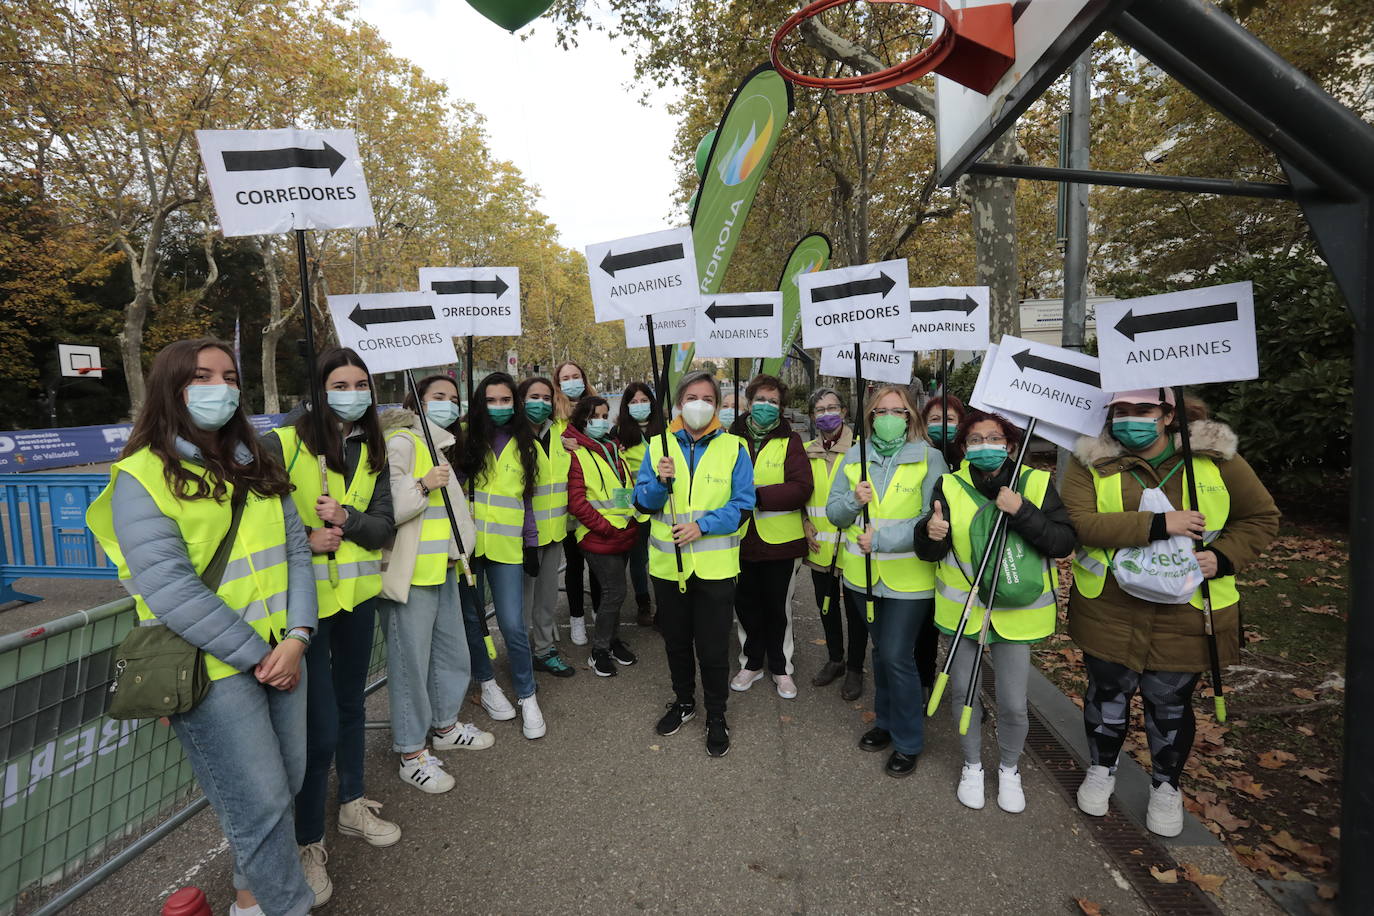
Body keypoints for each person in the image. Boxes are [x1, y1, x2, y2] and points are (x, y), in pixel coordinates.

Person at [87, 338, 316, 916]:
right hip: (213, 670)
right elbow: (170, 589)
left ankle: (247, 898)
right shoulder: (139, 477)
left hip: (284, 651)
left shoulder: (255, 460)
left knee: (283, 787)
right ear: (172, 387)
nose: (221, 387)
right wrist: (259, 657)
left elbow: (295, 553)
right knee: (260, 805)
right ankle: (288, 906)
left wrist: (297, 637)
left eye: (230, 376)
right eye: (202, 376)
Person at [1063, 388, 1278, 835]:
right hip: (1111, 607)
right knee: (1108, 697)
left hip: (1189, 611)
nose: (1129, 420)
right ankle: (1101, 769)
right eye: (1120, 411)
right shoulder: (1090, 462)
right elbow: (1079, 523)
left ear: (1166, 414)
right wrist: (1160, 524)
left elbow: (1260, 517)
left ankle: (1166, 786)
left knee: (1170, 704)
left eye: (1142, 410)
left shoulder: (1214, 460)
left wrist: (1222, 557)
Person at [262, 347, 397, 905]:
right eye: (340, 383)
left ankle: (353, 804)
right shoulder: (280, 443)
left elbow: (384, 527)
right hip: (305, 610)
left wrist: (347, 519)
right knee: (316, 731)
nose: (352, 391)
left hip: (358, 599)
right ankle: (306, 840)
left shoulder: (374, 446)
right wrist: (304, 539)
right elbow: (258, 523)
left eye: (360, 382)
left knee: (351, 707)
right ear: (318, 389)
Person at [914, 410, 1076, 812]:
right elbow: (930, 549)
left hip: (1016, 615)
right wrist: (929, 533)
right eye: (974, 440)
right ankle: (972, 766)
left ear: (1011, 444)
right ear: (963, 447)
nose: (985, 446)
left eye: (994, 438)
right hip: (964, 612)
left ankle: (1009, 769)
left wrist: (1022, 511)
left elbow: (1062, 542)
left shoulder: (1036, 484)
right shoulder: (949, 485)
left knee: (1013, 702)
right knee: (963, 692)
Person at [377, 375, 494, 800]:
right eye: (438, 397)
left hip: (444, 568)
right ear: (418, 402)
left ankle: (444, 726)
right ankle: (411, 753)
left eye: (453, 398)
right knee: (410, 665)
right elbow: (388, 506)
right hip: (411, 575)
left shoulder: (435, 443)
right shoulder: (402, 442)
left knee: (451, 652)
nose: (448, 404)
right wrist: (424, 484)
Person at [827, 384, 946, 778]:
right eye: (881, 411)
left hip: (909, 578)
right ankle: (885, 722)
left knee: (897, 655)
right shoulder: (854, 457)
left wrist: (882, 539)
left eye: (898, 411)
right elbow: (835, 513)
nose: (889, 418)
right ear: (871, 417)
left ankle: (909, 740)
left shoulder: (930, 458)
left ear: (910, 416)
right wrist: (852, 501)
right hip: (862, 577)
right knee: (879, 652)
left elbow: (932, 520)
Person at [635, 370, 754, 757]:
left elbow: (743, 506)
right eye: (690, 397)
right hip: (669, 568)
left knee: (715, 648)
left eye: (706, 398)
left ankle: (716, 714)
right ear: (678, 404)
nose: (697, 404)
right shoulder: (657, 446)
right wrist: (658, 483)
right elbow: (641, 503)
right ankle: (684, 702)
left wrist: (701, 526)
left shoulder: (735, 447)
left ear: (717, 406)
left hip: (715, 569)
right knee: (676, 642)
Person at [459, 371, 546, 739]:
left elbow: (526, 501)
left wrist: (531, 544)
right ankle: (486, 683)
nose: (498, 407)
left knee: (512, 624)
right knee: (474, 622)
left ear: (516, 402)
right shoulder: (465, 439)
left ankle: (528, 695)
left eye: (505, 400)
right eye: (491, 400)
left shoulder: (527, 444)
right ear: (481, 402)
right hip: (465, 549)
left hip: (507, 548)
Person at [729, 374, 811, 699]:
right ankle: (751, 663)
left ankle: (781, 667)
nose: (766, 406)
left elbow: (801, 487)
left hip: (781, 543)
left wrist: (755, 495)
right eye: (761, 399)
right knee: (746, 606)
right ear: (749, 402)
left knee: (778, 610)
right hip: (740, 540)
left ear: (781, 408)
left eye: (773, 401)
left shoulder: (791, 441)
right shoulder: (728, 439)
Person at [566, 395, 640, 675]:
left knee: (615, 594)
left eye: (605, 415)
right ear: (582, 419)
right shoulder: (576, 454)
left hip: (622, 531)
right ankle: (598, 651)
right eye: (595, 416)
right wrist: (605, 527)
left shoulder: (612, 449)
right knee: (614, 592)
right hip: (599, 535)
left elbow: (623, 488)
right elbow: (577, 502)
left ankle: (612, 641)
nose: (601, 421)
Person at [802, 387, 867, 700]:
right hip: (820, 548)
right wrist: (804, 523)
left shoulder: (861, 450)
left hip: (852, 545)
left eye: (832, 408)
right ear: (813, 417)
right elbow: (802, 494)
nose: (826, 414)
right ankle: (835, 659)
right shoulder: (806, 450)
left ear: (843, 411)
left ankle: (855, 667)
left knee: (856, 613)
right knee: (826, 607)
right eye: (819, 410)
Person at [518, 376, 576, 678]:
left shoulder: (559, 434)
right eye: (533, 396)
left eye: (545, 397)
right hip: (523, 537)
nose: (540, 403)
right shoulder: (512, 437)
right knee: (522, 603)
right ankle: (520, 656)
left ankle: (543, 651)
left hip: (554, 533)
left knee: (546, 599)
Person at [916, 391, 965, 691]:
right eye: (934, 419)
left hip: (961, 562)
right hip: (927, 554)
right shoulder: (919, 457)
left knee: (962, 630)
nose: (941, 425)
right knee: (924, 629)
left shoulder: (973, 460)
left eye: (948, 419)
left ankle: (964, 688)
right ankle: (924, 683)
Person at [553, 360, 601, 646]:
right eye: (565, 377)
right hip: (568, 500)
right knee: (574, 564)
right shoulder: (553, 415)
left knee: (597, 563)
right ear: (558, 383)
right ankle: (576, 619)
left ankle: (599, 614)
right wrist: (560, 443)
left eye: (576, 376)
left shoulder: (596, 408)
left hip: (596, 500)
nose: (572, 381)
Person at [612, 382, 663, 627]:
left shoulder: (667, 430)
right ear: (626, 406)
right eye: (634, 402)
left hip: (663, 504)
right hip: (635, 509)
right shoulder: (617, 433)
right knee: (639, 558)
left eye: (644, 401)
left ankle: (665, 607)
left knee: (664, 557)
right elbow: (616, 475)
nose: (639, 406)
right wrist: (623, 510)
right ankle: (643, 604)